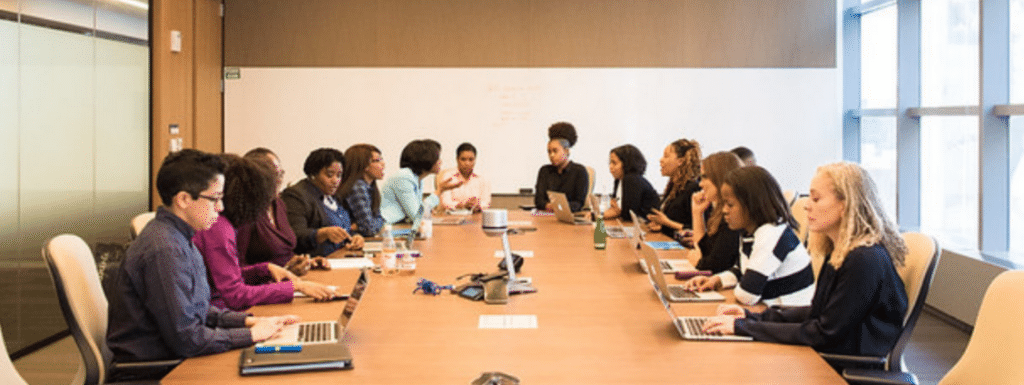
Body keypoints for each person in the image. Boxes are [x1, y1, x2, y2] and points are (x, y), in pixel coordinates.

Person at [107, 149, 296, 366]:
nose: (221, 208)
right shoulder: (165, 250)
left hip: (177, 358)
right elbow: (187, 339)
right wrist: (250, 335)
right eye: (214, 199)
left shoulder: (181, 237)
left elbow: (198, 311)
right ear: (184, 199)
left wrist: (251, 322)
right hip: (157, 370)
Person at [701, 162, 909, 358]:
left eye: (816, 199)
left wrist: (744, 327)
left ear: (845, 205)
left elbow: (823, 332)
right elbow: (818, 314)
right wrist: (750, 318)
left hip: (839, 366)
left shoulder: (864, 260)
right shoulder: (842, 252)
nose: (807, 206)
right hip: (829, 354)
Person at [193, 154, 336, 312]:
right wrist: (295, 286)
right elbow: (234, 294)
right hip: (220, 312)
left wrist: (265, 269)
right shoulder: (219, 228)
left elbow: (226, 277)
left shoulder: (222, 224)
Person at [683, 166, 815, 306]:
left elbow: (747, 295)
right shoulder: (749, 233)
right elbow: (741, 270)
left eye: (730, 205)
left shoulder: (770, 234)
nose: (724, 210)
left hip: (789, 318)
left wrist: (741, 286)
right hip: (771, 312)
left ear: (752, 205)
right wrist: (717, 280)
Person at [233, 148, 310, 275]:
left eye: (281, 174)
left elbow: (284, 253)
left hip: (289, 280)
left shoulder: (278, 203)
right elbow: (237, 268)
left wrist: (302, 262)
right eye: (273, 175)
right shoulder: (246, 210)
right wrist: (276, 273)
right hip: (262, 287)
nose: (279, 180)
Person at [281, 148, 365, 261]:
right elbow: (294, 235)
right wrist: (321, 233)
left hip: (339, 258)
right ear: (313, 174)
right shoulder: (296, 195)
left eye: (339, 175)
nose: (335, 180)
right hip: (313, 263)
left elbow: (343, 227)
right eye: (329, 175)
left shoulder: (333, 196)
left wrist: (354, 237)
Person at [677, 151, 744, 274]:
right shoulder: (718, 211)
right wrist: (697, 213)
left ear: (720, 177)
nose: (701, 184)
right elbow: (703, 250)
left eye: (705, 177)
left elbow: (713, 266)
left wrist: (699, 262)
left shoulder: (734, 215)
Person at [380, 139, 462, 232]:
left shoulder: (417, 178)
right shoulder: (404, 177)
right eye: (437, 158)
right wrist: (439, 190)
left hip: (400, 226)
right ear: (426, 159)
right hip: (388, 229)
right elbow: (417, 215)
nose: (440, 162)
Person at [646, 139, 702, 236]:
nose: (661, 160)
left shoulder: (692, 188)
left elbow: (696, 228)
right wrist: (660, 224)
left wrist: (666, 222)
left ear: (680, 161)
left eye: (666, 156)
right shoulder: (673, 186)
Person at [534, 122, 589, 212]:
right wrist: (549, 206)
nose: (551, 155)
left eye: (555, 151)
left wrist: (557, 206)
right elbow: (539, 200)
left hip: (569, 216)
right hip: (547, 217)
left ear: (566, 151)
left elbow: (578, 203)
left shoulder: (579, 171)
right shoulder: (544, 171)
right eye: (549, 152)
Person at [338, 143, 387, 237]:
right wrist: (379, 221)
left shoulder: (370, 187)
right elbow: (369, 229)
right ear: (364, 166)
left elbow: (378, 219)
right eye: (377, 161)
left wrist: (359, 226)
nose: (383, 164)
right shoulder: (357, 187)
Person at [602, 144, 659, 220]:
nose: (610, 167)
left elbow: (627, 215)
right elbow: (615, 208)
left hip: (645, 225)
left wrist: (601, 215)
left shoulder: (632, 180)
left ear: (627, 164)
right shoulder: (619, 180)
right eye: (610, 163)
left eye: (614, 163)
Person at [437, 142, 491, 212]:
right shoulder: (448, 176)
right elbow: (445, 202)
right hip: (453, 216)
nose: (467, 163)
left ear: (475, 160)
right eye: (463, 159)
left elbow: (486, 201)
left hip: (476, 215)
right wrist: (462, 205)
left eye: (471, 159)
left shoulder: (482, 177)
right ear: (457, 159)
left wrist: (478, 206)